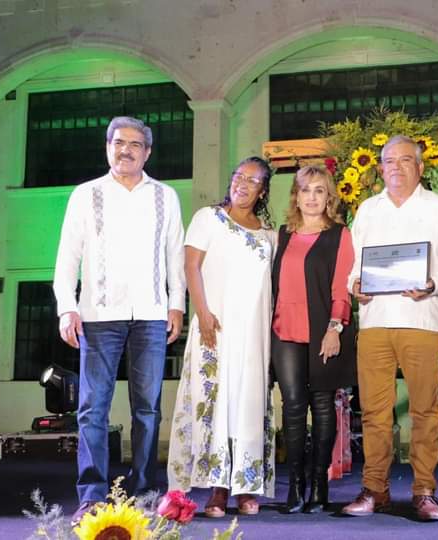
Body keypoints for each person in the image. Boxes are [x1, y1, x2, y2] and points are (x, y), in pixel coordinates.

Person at [53, 116, 186, 525]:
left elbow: (175, 255)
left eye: (134, 144)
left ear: (147, 152)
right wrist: (66, 307)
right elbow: (67, 256)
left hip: (150, 315)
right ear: (107, 147)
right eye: (118, 142)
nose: (125, 150)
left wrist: (176, 305)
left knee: (147, 409)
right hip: (98, 315)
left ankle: (144, 492)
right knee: (92, 408)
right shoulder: (86, 194)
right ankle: (92, 496)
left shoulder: (165, 196)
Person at [341, 135, 438, 522]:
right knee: (374, 412)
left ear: (420, 167)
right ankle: (374, 489)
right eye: (389, 161)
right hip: (375, 321)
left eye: (405, 160)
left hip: (421, 320)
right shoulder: (367, 210)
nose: (396, 167)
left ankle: (424, 490)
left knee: (425, 410)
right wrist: (354, 284)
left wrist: (433, 283)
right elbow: (354, 266)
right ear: (380, 168)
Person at [167, 157, 277, 517]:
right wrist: (202, 313)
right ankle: (218, 488)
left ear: (263, 191)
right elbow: (191, 266)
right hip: (215, 326)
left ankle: (246, 485)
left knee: (248, 403)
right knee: (218, 402)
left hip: (254, 333)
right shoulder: (208, 218)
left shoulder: (268, 234)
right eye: (238, 177)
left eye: (252, 180)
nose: (242, 184)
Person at [271, 165, 357, 514]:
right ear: (296, 196)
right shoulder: (282, 234)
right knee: (292, 405)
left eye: (319, 190)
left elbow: (342, 286)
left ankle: (319, 485)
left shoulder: (339, 234)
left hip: (324, 328)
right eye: (305, 190)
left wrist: (335, 327)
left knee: (322, 404)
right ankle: (295, 485)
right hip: (284, 328)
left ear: (329, 197)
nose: (311, 197)